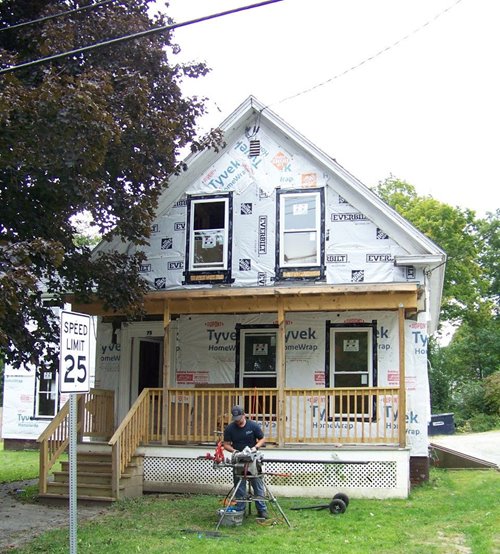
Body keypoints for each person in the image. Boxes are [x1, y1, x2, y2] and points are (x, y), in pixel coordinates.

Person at [223, 405, 268, 519]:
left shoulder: (253, 426)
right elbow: (226, 444)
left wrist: (255, 448)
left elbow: (262, 439)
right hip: (238, 460)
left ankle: (262, 510)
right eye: (236, 419)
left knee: (257, 485)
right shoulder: (230, 428)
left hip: (252, 460)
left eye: (240, 418)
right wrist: (235, 451)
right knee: (239, 486)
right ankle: (240, 509)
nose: (238, 421)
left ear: (244, 415)